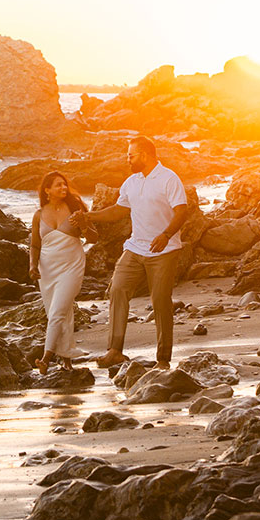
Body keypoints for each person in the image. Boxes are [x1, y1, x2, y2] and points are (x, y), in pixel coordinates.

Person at [71, 135, 188, 369]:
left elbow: (182, 211)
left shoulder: (169, 179)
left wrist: (165, 235)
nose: (128, 160)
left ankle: (163, 359)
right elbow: (118, 210)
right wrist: (88, 216)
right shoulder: (132, 182)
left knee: (160, 301)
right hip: (135, 248)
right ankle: (115, 350)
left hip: (164, 251)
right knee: (117, 290)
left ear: (144, 155)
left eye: (131, 155)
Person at [29, 171, 92, 374]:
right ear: (47, 190)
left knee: (57, 312)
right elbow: (35, 245)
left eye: (64, 185)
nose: (63, 188)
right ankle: (66, 359)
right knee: (60, 312)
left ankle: (46, 358)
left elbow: (94, 237)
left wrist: (82, 224)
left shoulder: (75, 209)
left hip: (71, 265)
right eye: (58, 185)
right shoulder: (39, 215)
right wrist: (32, 266)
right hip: (47, 270)